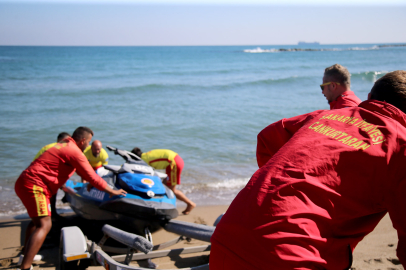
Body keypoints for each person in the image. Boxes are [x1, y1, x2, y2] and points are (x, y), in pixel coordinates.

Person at [210, 71, 406, 269]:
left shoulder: (325, 116)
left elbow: (267, 138)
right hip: (291, 258)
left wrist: (281, 187)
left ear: (370, 97)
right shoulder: (401, 146)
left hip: (227, 241)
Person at [15, 127, 127, 270]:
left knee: (36, 222)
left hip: (24, 182)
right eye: (89, 142)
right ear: (82, 141)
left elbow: (62, 168)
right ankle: (25, 267)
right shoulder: (74, 151)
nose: (88, 145)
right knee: (45, 224)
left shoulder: (63, 145)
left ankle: (25, 255)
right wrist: (112, 191)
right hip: (35, 186)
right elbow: (92, 177)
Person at [131, 148, 196, 215]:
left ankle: (190, 204)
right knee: (163, 186)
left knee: (171, 190)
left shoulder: (143, 161)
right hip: (174, 161)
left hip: (174, 164)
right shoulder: (145, 156)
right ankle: (163, 205)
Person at [33, 132, 71, 219]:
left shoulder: (48, 147)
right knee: (50, 194)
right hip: (42, 175)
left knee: (53, 193)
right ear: (59, 140)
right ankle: (49, 215)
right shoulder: (58, 148)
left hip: (38, 174)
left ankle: (52, 213)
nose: (69, 143)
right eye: (67, 141)